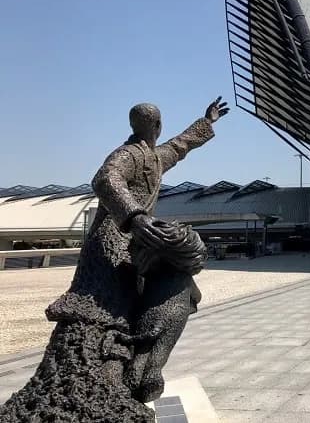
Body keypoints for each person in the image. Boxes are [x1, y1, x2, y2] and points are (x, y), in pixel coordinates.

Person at [1, 98, 229, 421]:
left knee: (169, 292)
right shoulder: (129, 154)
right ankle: (108, 374)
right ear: (156, 127)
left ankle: (141, 371)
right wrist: (134, 217)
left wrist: (207, 122)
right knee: (106, 309)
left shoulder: (153, 157)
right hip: (111, 243)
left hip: (136, 244)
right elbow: (105, 178)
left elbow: (180, 146)